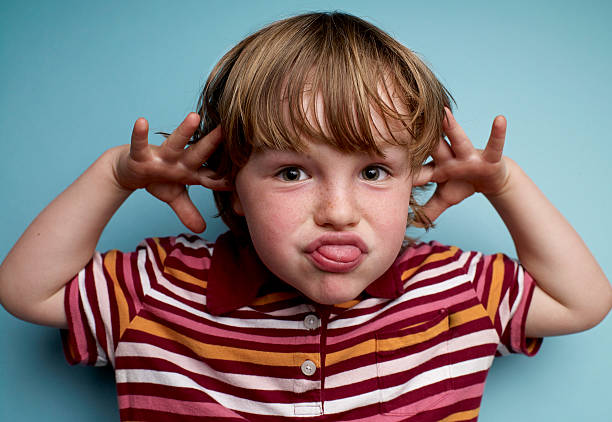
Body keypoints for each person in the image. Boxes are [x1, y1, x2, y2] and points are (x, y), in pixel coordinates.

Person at [0, 11, 610, 421]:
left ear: (413, 179)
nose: (338, 213)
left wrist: (503, 183)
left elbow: (581, 302)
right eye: (292, 172)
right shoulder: (158, 287)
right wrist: (116, 175)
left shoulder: (457, 288)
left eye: (374, 172)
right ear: (233, 186)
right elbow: (28, 292)